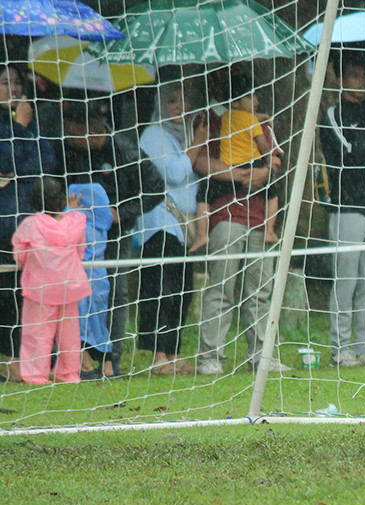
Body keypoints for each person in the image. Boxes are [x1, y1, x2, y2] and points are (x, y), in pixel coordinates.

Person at [54, 100, 166, 378]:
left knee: (116, 292)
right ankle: (77, 359)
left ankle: (110, 359)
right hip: (73, 235)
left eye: (72, 132)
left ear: (90, 129)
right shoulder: (67, 150)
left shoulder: (125, 151)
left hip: (115, 236)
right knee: (74, 294)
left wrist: (121, 213)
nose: (67, 138)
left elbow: (156, 188)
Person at [194, 80, 290, 376]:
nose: (256, 100)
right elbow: (200, 162)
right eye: (250, 95)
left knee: (260, 292)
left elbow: (275, 162)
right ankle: (210, 357)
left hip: (261, 219)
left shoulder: (261, 125)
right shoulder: (213, 122)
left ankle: (262, 357)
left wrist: (264, 170)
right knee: (222, 287)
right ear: (234, 98)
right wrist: (241, 175)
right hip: (226, 216)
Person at [318, 54, 365, 367]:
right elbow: (351, 157)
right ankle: (341, 348)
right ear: (341, 79)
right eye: (356, 75)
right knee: (346, 281)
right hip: (347, 207)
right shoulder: (332, 114)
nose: (363, 82)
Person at [136, 82, 207, 376]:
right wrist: (198, 143)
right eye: (172, 101)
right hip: (158, 224)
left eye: (183, 100)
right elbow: (175, 173)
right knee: (161, 289)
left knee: (182, 290)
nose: (179, 107)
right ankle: (158, 357)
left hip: (180, 227)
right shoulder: (154, 134)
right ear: (161, 105)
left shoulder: (179, 137)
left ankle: (174, 354)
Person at [0, 63, 56, 383]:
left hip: (29, 225)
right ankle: (9, 361)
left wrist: (14, 169)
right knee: (6, 294)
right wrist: (19, 128)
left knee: (29, 295)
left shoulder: (30, 124)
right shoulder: (20, 123)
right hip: (4, 227)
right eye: (6, 83)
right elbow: (6, 161)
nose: (15, 89)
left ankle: (27, 359)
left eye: (18, 83)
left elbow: (47, 162)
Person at [12, 177, 90, 384]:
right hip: (69, 286)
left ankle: (35, 375)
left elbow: (19, 255)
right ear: (62, 200)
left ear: (34, 201)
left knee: (37, 333)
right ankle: (69, 373)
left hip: (40, 287)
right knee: (70, 334)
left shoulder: (30, 225)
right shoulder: (75, 222)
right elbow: (81, 252)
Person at [218, 74, 280, 244]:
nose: (255, 100)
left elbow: (243, 120)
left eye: (255, 95)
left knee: (204, 196)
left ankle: (201, 233)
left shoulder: (224, 118)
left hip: (231, 168)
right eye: (249, 96)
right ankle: (270, 230)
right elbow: (265, 148)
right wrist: (267, 164)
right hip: (253, 166)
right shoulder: (252, 121)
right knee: (272, 196)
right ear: (235, 102)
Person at [74, 183, 115, 380]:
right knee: (100, 322)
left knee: (82, 322)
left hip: (82, 278)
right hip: (100, 278)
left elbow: (66, 232)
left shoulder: (81, 224)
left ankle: (86, 365)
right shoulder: (100, 226)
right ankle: (108, 366)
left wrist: (69, 211)